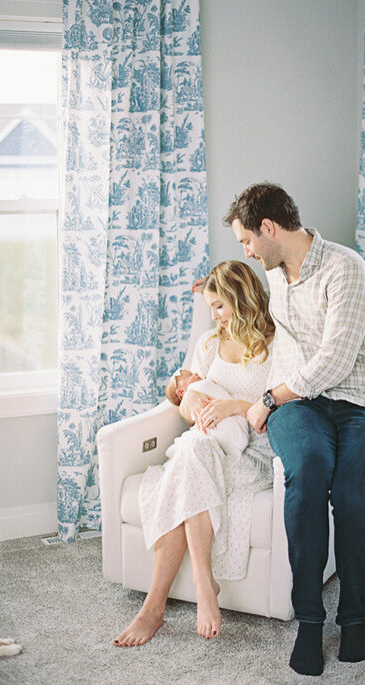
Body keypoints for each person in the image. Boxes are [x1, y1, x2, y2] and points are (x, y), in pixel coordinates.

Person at [228, 183, 365, 678]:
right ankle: (311, 622)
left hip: (358, 401)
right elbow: (292, 349)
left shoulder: (346, 270)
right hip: (303, 405)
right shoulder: (277, 275)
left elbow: (335, 361)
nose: (247, 252)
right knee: (309, 474)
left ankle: (355, 618)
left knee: (357, 494)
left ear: (269, 229)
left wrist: (269, 397)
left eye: (247, 241)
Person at [117, 261, 287, 647]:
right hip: (205, 444)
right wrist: (191, 402)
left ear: (242, 299)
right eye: (210, 307)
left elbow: (279, 407)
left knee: (187, 465)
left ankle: (154, 608)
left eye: (220, 306)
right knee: (194, 452)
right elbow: (182, 405)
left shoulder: (274, 344)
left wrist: (232, 408)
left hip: (250, 454)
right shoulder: (208, 344)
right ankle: (201, 586)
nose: (214, 316)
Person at [166, 368, 252, 455]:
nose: (195, 373)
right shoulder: (194, 389)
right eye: (189, 375)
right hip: (238, 436)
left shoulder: (202, 386)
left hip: (237, 433)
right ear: (180, 392)